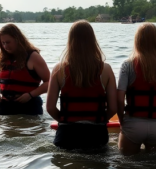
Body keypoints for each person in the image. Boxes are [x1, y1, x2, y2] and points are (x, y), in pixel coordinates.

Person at [46, 21, 117, 150]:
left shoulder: (59, 69)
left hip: (66, 135)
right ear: (93, 40)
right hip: (96, 135)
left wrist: (64, 121)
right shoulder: (106, 70)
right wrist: (100, 120)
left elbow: (50, 108)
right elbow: (113, 108)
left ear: (70, 41)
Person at [116, 23, 156, 155]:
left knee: (127, 167)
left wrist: (122, 121)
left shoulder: (127, 65)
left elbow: (119, 99)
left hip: (133, 124)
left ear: (137, 41)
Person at [0, 24, 50, 115]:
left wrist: (30, 95)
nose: (5, 46)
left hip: (29, 103)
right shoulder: (3, 58)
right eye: (3, 43)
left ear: (17, 40)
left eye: (8, 42)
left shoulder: (33, 57)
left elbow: (49, 82)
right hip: (6, 103)